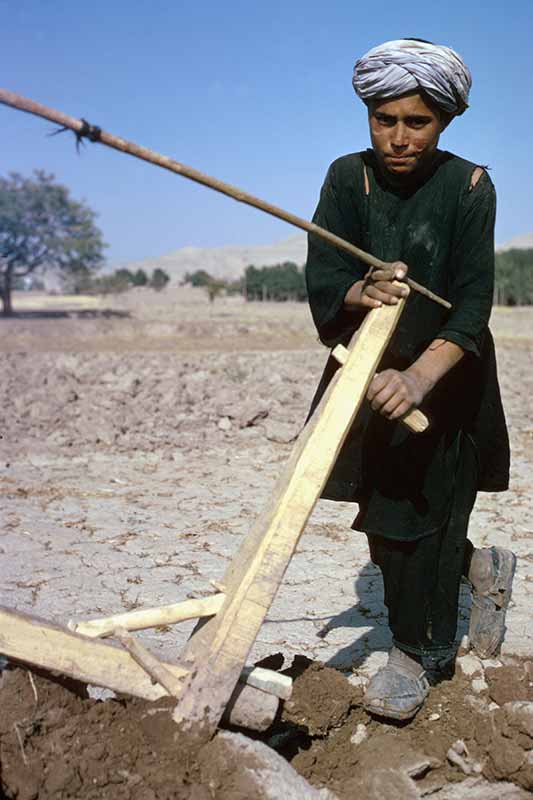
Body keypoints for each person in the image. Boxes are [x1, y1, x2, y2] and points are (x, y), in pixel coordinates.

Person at [305, 38, 516, 721]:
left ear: (445, 121)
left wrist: (422, 376)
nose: (397, 137)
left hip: (445, 378)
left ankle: (413, 652)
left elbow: (474, 301)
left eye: (415, 122)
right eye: (383, 119)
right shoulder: (346, 179)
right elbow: (324, 279)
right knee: (383, 514)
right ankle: (479, 568)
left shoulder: (469, 187)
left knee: (417, 514)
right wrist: (361, 292)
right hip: (361, 373)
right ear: (366, 114)